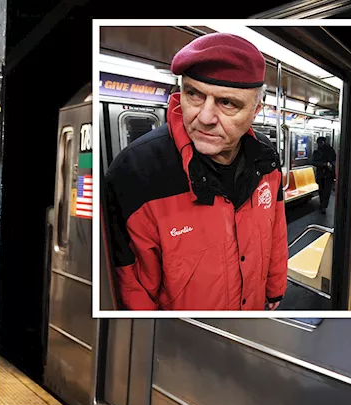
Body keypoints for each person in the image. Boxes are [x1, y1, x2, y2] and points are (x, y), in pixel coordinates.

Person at [102, 32, 287, 311]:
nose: (205, 118)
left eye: (227, 103)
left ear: (256, 110)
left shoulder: (265, 157)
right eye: (194, 95)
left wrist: (274, 291)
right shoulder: (137, 173)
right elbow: (132, 286)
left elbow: (276, 230)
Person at [311, 135, 336, 211]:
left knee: (325, 191)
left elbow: (334, 161)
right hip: (323, 174)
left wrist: (331, 165)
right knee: (322, 191)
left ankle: (324, 206)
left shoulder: (330, 151)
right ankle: (323, 204)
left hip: (326, 174)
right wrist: (325, 164)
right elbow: (313, 162)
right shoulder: (317, 152)